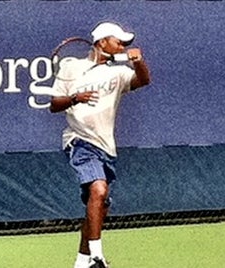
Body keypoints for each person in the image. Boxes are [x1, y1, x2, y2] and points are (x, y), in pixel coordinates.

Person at [49, 21, 151, 268]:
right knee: (99, 190)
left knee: (98, 207)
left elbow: (143, 80)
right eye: (119, 42)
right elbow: (54, 104)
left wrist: (137, 62)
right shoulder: (71, 67)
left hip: (107, 147)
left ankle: (81, 262)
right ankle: (97, 257)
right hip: (79, 141)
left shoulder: (119, 71)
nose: (123, 46)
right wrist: (75, 98)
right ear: (102, 42)